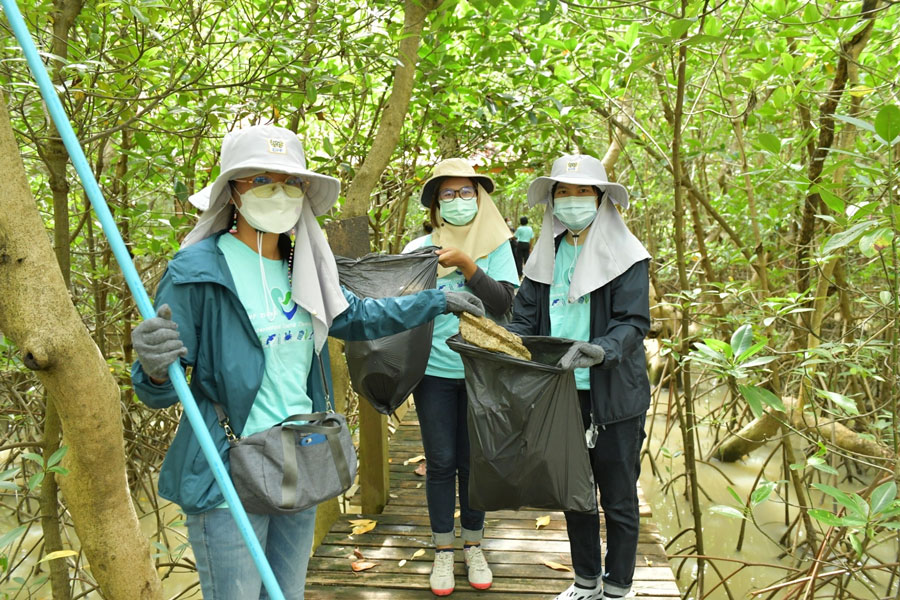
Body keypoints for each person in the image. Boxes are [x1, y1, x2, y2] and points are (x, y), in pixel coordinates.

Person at [130, 125, 484, 600]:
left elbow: (354, 317)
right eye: (261, 180)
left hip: (300, 455)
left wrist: (436, 302)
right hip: (227, 471)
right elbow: (158, 389)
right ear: (232, 191)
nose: (278, 193)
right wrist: (154, 364)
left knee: (288, 592)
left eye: (290, 182)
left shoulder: (306, 264)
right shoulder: (197, 271)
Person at [505, 154, 651, 600]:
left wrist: (602, 350)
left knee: (619, 496)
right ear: (551, 201)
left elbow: (633, 322)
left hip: (613, 397)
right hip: (561, 392)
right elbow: (523, 322)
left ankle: (619, 586)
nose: (572, 201)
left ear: (602, 199)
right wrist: (493, 337)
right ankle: (586, 580)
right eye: (563, 193)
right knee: (576, 492)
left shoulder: (626, 255)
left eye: (582, 192)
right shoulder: (543, 256)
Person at [404, 158, 519, 596]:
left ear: (480, 197)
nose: (457, 201)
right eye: (447, 194)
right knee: (441, 461)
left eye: (465, 192)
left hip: (481, 370)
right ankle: (442, 551)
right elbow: (400, 307)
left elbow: (503, 304)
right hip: (432, 372)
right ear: (435, 205)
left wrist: (469, 265)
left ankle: (473, 543)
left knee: (473, 463)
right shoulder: (420, 249)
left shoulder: (497, 245)